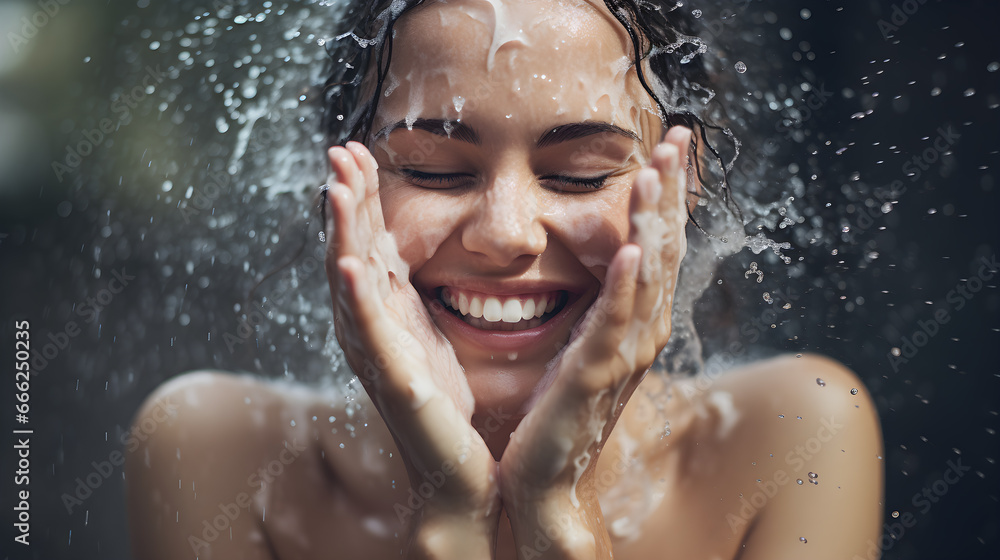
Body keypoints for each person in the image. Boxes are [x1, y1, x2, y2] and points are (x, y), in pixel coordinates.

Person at [125, 1, 885, 558]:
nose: (505, 234)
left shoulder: (791, 438)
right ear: (338, 189)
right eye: (432, 169)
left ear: (678, 191)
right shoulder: (217, 454)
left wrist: (558, 519)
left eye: (579, 175)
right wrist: (449, 522)